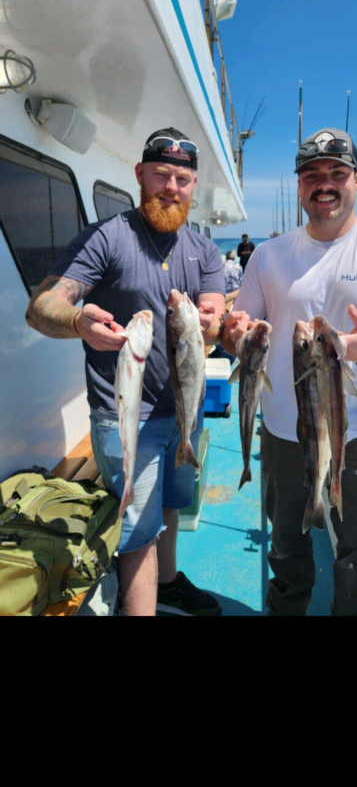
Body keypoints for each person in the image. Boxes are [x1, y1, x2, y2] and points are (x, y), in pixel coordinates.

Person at [221, 128, 357, 616]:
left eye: (337, 173)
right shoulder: (268, 255)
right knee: (285, 548)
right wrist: (231, 331)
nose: (325, 184)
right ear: (299, 185)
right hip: (281, 432)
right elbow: (237, 332)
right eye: (312, 175)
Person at [25, 128, 226, 617]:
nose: (171, 188)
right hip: (125, 419)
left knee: (172, 505)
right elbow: (41, 307)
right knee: (138, 534)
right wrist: (77, 321)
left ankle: (170, 583)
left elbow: (215, 322)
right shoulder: (106, 238)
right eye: (161, 174)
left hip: (184, 412)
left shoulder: (205, 251)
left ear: (194, 184)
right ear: (140, 174)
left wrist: (212, 325)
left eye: (182, 178)